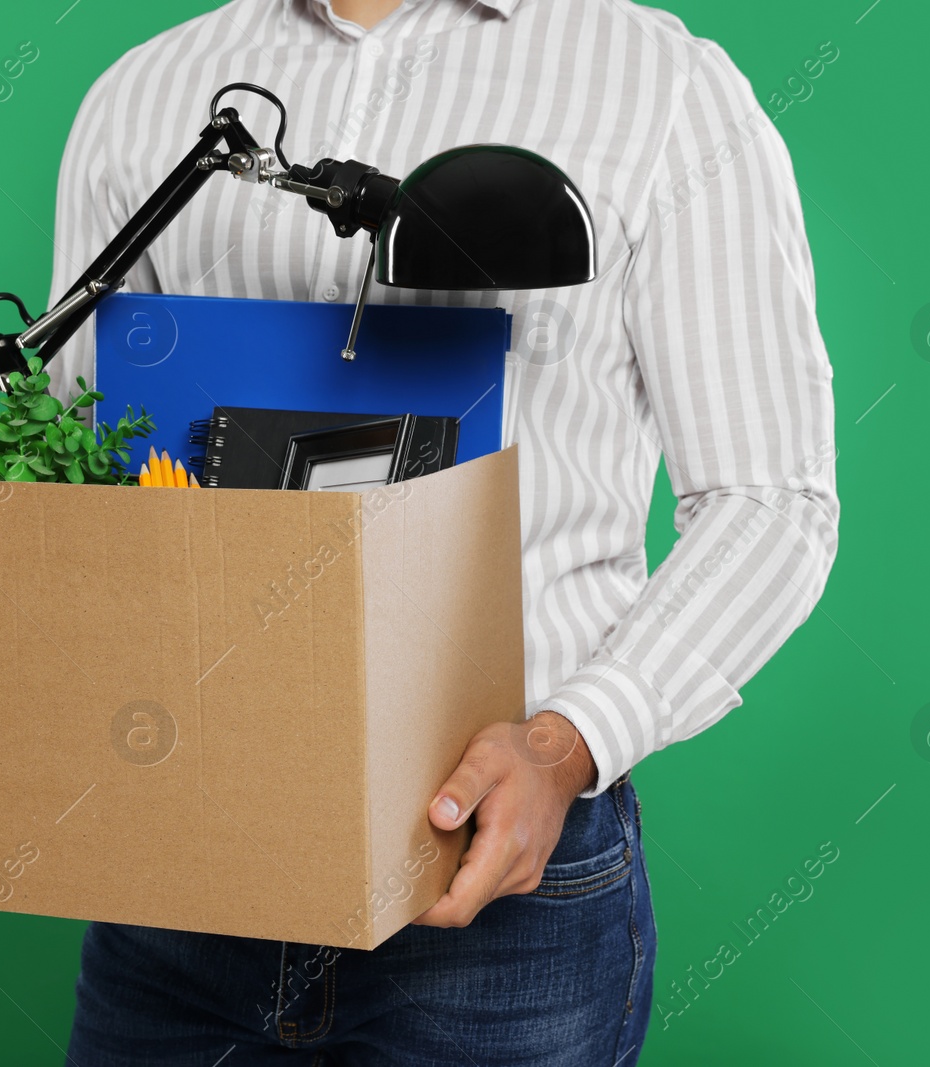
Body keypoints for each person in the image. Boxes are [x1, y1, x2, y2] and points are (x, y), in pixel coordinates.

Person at [45, 0, 839, 1062]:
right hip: (185, 874)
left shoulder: (659, 89)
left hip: (493, 880)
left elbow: (770, 496)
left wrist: (566, 744)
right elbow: (80, 440)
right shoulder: (149, 92)